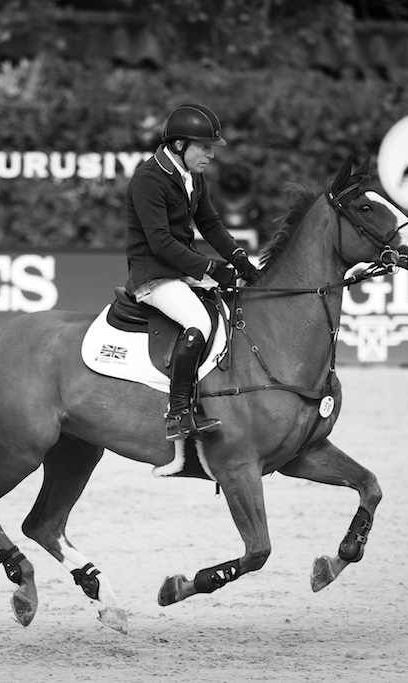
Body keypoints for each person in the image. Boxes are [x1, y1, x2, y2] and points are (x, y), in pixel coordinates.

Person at [125, 103, 260, 442]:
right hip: (154, 275)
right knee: (198, 323)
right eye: (205, 147)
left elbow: (210, 224)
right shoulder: (148, 178)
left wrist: (240, 259)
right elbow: (159, 241)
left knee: (232, 311)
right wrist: (210, 268)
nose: (211, 155)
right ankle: (179, 414)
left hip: (181, 271)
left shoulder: (192, 177)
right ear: (179, 145)